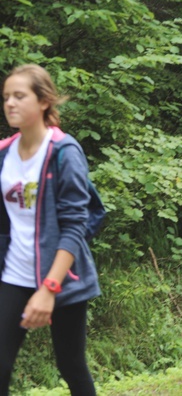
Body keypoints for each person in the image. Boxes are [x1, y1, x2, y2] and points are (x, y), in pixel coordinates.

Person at [0, 64, 100, 395]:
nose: (10, 103)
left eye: (19, 96)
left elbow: (75, 226)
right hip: (14, 273)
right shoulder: (4, 154)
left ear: (43, 101)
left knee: (70, 364)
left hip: (61, 274)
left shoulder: (63, 152)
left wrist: (49, 287)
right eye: (6, 97)